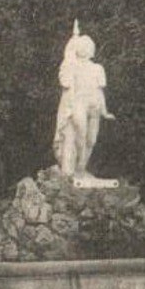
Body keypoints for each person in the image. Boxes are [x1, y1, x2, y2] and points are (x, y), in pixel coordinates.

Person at [54, 29, 113, 178]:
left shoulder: (98, 69)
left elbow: (100, 92)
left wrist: (105, 111)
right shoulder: (73, 66)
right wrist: (71, 46)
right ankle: (74, 169)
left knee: (91, 140)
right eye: (82, 47)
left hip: (95, 107)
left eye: (87, 47)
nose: (85, 50)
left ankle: (81, 168)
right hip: (79, 105)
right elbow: (66, 80)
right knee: (80, 134)